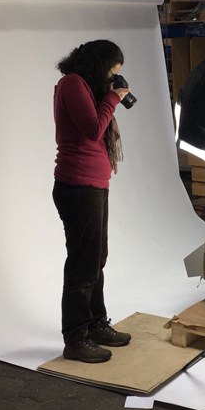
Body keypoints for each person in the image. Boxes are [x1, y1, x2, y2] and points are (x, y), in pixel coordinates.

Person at [52, 40, 132, 363]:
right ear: (100, 66)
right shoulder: (72, 84)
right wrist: (113, 97)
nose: (113, 80)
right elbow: (92, 129)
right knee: (83, 264)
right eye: (112, 73)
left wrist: (109, 96)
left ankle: (96, 323)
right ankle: (75, 338)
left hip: (95, 186)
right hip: (78, 187)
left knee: (97, 258)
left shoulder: (87, 87)